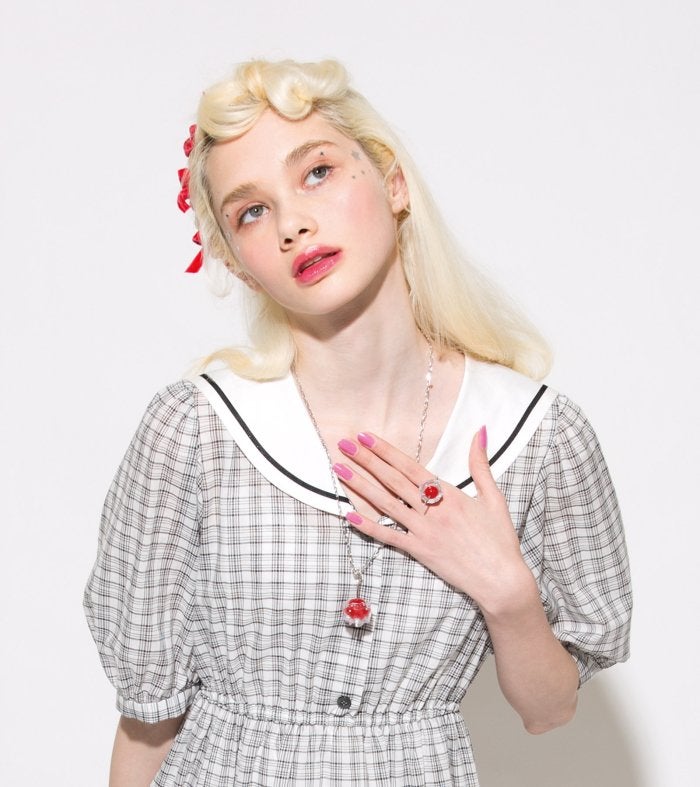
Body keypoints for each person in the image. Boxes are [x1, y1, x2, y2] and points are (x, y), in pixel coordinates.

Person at [84, 59, 632, 786]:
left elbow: (550, 710)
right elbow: (148, 724)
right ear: (240, 265)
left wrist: (507, 592)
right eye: (252, 212)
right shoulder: (193, 433)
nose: (293, 224)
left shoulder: (536, 436)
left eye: (317, 173)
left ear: (393, 183)